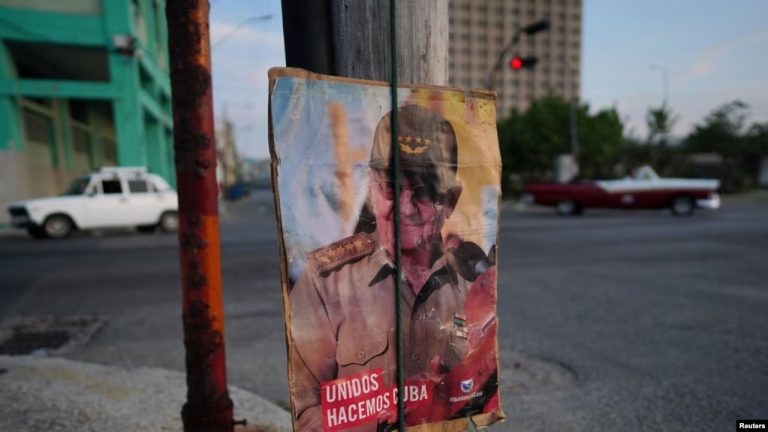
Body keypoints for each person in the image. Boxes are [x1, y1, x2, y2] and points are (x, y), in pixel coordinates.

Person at [289, 105, 499, 431]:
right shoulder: (325, 283)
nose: (404, 207)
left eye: (425, 190)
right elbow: (304, 412)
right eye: (390, 186)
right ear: (372, 188)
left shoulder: (474, 283)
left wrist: (444, 396)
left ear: (451, 199)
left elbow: (485, 395)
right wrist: (383, 416)